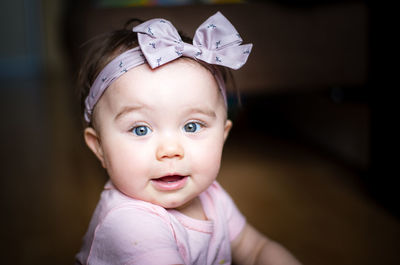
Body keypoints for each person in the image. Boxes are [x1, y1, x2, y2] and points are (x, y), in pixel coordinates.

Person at [75, 11, 301, 265]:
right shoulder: (130, 225)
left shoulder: (211, 195)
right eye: (140, 129)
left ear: (223, 135)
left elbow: (256, 249)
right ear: (100, 148)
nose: (170, 150)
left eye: (192, 126)